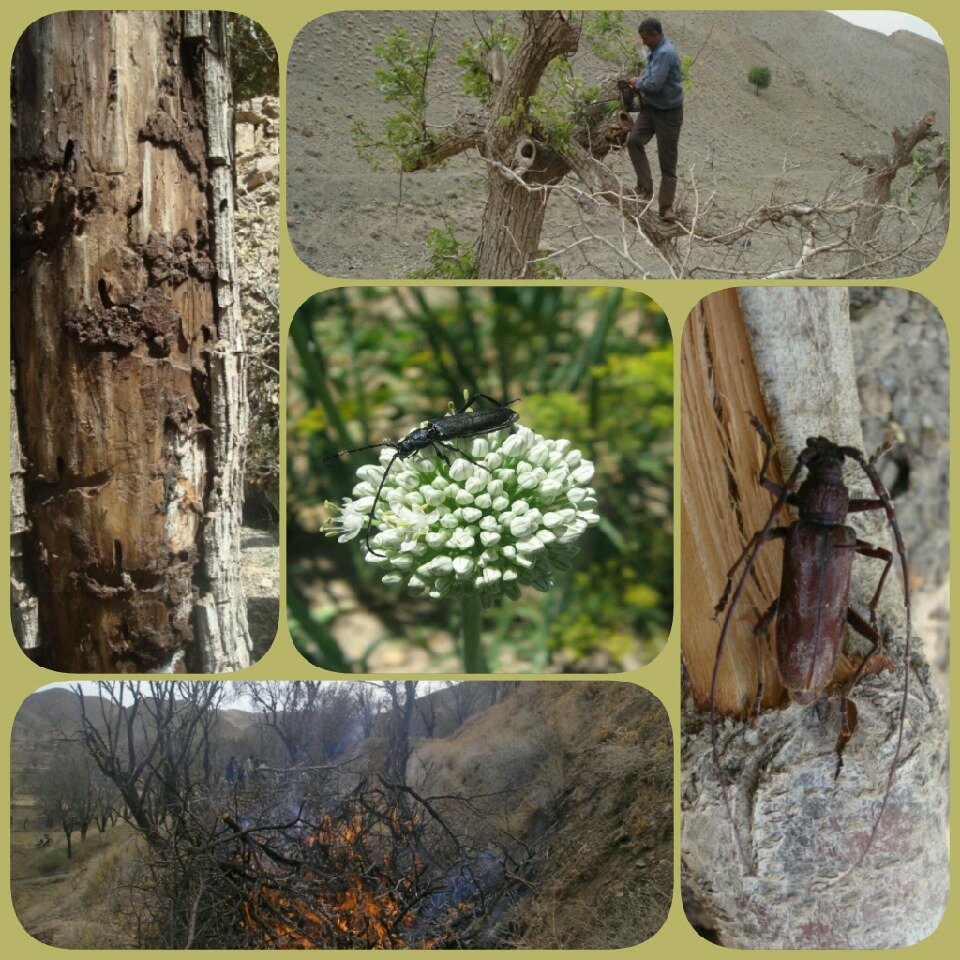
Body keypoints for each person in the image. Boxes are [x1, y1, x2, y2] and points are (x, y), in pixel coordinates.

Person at [626, 18, 684, 221]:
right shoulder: (654, 50)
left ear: (655, 35)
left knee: (667, 163)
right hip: (652, 109)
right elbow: (650, 78)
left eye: (645, 38)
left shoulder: (666, 53)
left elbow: (654, 84)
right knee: (634, 141)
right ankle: (644, 189)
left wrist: (636, 82)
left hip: (669, 113)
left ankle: (666, 208)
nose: (643, 42)